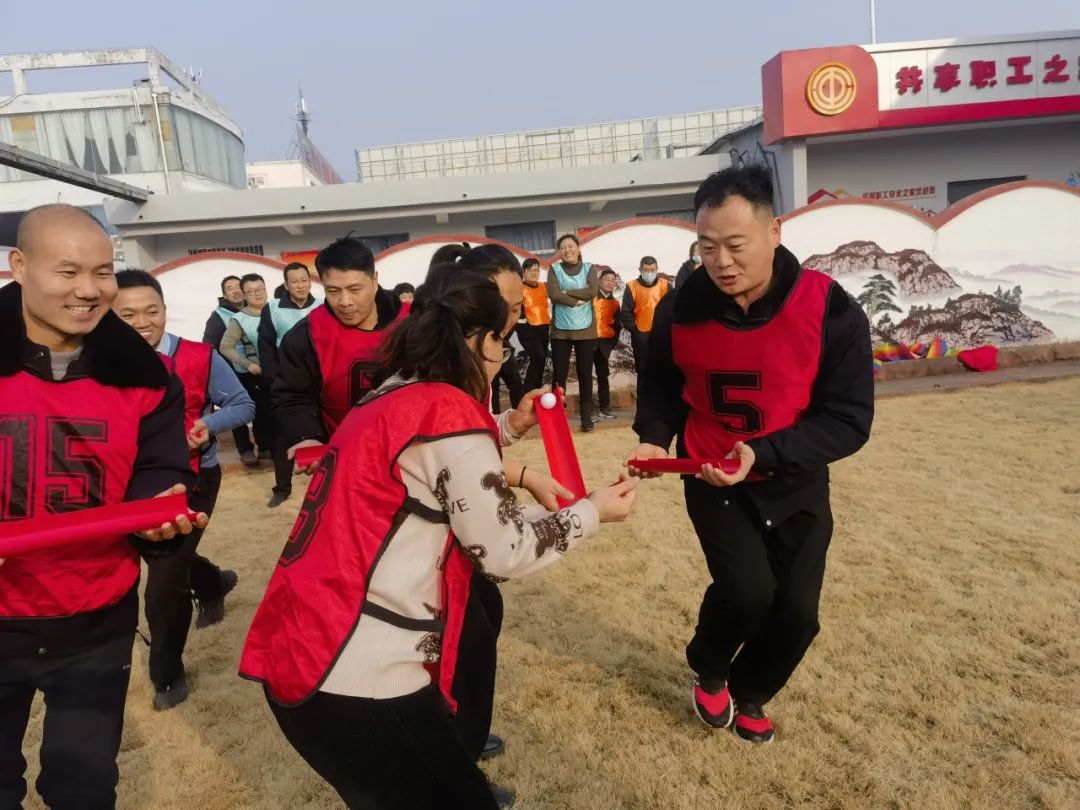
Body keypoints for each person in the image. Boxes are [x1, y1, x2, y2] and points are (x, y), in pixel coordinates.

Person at [240, 272, 638, 810]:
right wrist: (591, 513)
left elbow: (440, 493)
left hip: (304, 648)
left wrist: (519, 449)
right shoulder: (446, 414)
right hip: (360, 671)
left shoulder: (388, 394)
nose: (501, 358)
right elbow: (503, 549)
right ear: (477, 340)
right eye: (501, 341)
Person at [627, 166, 873, 744]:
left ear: (774, 231)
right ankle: (710, 666)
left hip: (793, 478)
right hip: (711, 474)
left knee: (798, 614)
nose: (722, 262)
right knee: (746, 594)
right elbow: (661, 383)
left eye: (736, 245)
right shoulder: (680, 308)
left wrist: (764, 454)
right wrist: (654, 435)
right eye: (707, 247)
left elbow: (849, 420)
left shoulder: (829, 308)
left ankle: (752, 689)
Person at [0, 204, 206, 809]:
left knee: (84, 787)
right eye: (68, 272)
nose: (89, 290)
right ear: (19, 266)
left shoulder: (148, 376)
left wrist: (158, 513)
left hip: (95, 615)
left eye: (103, 272)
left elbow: (160, 468)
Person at [113, 269, 254, 709]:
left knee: (161, 584)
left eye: (151, 311)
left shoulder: (199, 357)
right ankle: (213, 584)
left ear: (165, 310)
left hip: (193, 479)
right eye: (128, 315)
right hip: (125, 485)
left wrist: (207, 424)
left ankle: (166, 674)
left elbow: (243, 404)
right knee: (168, 559)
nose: (143, 322)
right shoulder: (97, 364)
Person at [273, 236, 403, 460]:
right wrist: (307, 437)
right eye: (333, 291)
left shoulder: (415, 323)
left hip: (412, 455)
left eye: (354, 289)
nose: (344, 301)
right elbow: (293, 396)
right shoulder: (306, 336)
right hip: (344, 456)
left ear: (374, 279)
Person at [258, 263, 320, 509]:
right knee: (283, 436)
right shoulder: (273, 308)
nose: (300, 286)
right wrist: (274, 381)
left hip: (318, 381)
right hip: (286, 383)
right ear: (286, 285)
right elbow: (265, 347)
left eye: (304, 280)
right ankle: (282, 488)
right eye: (294, 281)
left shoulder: (322, 306)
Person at [219, 274, 281, 504]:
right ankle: (267, 451)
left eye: (260, 289)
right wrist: (247, 364)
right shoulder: (239, 319)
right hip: (257, 373)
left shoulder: (276, 310)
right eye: (251, 291)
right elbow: (225, 347)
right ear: (244, 295)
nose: (257, 294)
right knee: (263, 412)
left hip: (283, 371)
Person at [547, 234, 611, 433]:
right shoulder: (554, 269)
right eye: (562, 247)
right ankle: (556, 417)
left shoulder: (589, 268)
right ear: (559, 252)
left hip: (586, 330)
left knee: (585, 374)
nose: (567, 250)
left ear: (578, 248)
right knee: (559, 375)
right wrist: (575, 300)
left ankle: (586, 418)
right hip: (560, 331)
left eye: (570, 246)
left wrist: (567, 292)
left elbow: (591, 291)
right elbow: (553, 294)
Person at [203, 274, 255, 464]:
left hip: (255, 368)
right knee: (236, 409)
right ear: (224, 294)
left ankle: (265, 445)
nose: (235, 291)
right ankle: (245, 450)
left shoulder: (254, 309)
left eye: (238, 286)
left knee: (261, 407)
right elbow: (208, 345)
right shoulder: (218, 316)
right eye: (230, 288)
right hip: (232, 371)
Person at [620, 255, 671, 385]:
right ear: (640, 270)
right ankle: (643, 398)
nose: (649, 273)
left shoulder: (665, 285)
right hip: (641, 336)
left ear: (657, 269)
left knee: (662, 371)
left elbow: (672, 308)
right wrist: (635, 330)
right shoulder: (632, 286)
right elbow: (625, 312)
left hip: (661, 336)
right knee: (643, 372)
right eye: (646, 270)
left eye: (652, 270)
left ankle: (661, 398)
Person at [592, 268, 622, 420]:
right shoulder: (590, 298)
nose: (610, 283)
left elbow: (617, 327)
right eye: (607, 279)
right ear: (599, 281)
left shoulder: (616, 303)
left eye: (612, 280)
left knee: (603, 375)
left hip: (604, 344)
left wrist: (611, 343)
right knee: (585, 375)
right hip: (588, 342)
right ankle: (588, 410)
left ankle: (604, 407)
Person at [517, 258, 550, 391]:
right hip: (528, 329)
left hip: (543, 327)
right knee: (538, 357)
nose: (534, 273)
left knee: (541, 360)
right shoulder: (519, 288)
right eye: (530, 270)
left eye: (536, 270)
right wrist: (522, 322)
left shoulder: (543, 286)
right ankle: (528, 390)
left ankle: (536, 390)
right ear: (523, 272)